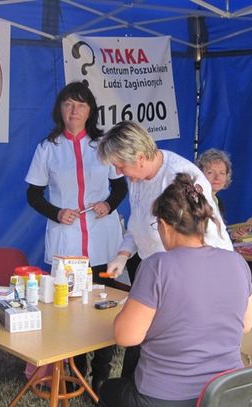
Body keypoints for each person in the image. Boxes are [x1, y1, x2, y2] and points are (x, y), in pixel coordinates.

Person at [98, 173, 252, 407]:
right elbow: (246, 324)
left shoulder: (157, 265)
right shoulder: (237, 262)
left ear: (164, 225)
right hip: (225, 392)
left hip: (165, 396)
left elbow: (126, 336)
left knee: (110, 390)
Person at [98, 120, 233, 378]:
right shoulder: (137, 177)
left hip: (189, 282)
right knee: (140, 349)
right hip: (159, 276)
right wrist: (123, 254)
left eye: (120, 164)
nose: (117, 170)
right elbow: (139, 223)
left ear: (139, 157)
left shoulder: (181, 177)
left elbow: (205, 239)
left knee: (166, 353)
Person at [25, 81, 128, 393]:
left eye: (81, 105)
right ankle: (77, 369)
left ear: (90, 111)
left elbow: (122, 186)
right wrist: (56, 212)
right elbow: (33, 194)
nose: (74, 110)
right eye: (69, 104)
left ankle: (102, 374)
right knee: (72, 310)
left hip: (103, 240)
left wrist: (108, 204)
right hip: (67, 243)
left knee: (106, 305)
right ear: (60, 108)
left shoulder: (104, 145)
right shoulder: (48, 148)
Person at [196, 148, 252, 327]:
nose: (217, 177)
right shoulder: (199, 201)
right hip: (206, 262)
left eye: (221, 173)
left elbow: (217, 233)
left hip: (217, 257)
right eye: (210, 172)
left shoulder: (216, 201)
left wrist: (232, 235)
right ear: (199, 174)